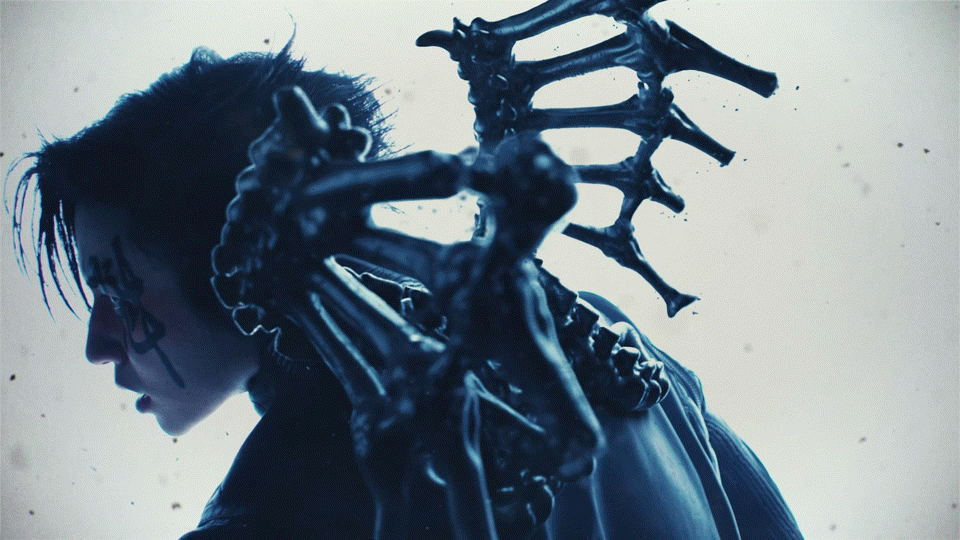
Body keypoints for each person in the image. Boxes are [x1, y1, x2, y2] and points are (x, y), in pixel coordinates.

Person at [11, 41, 803, 539]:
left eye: (119, 290)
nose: (98, 342)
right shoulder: (614, 341)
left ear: (217, 254)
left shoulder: (294, 490)